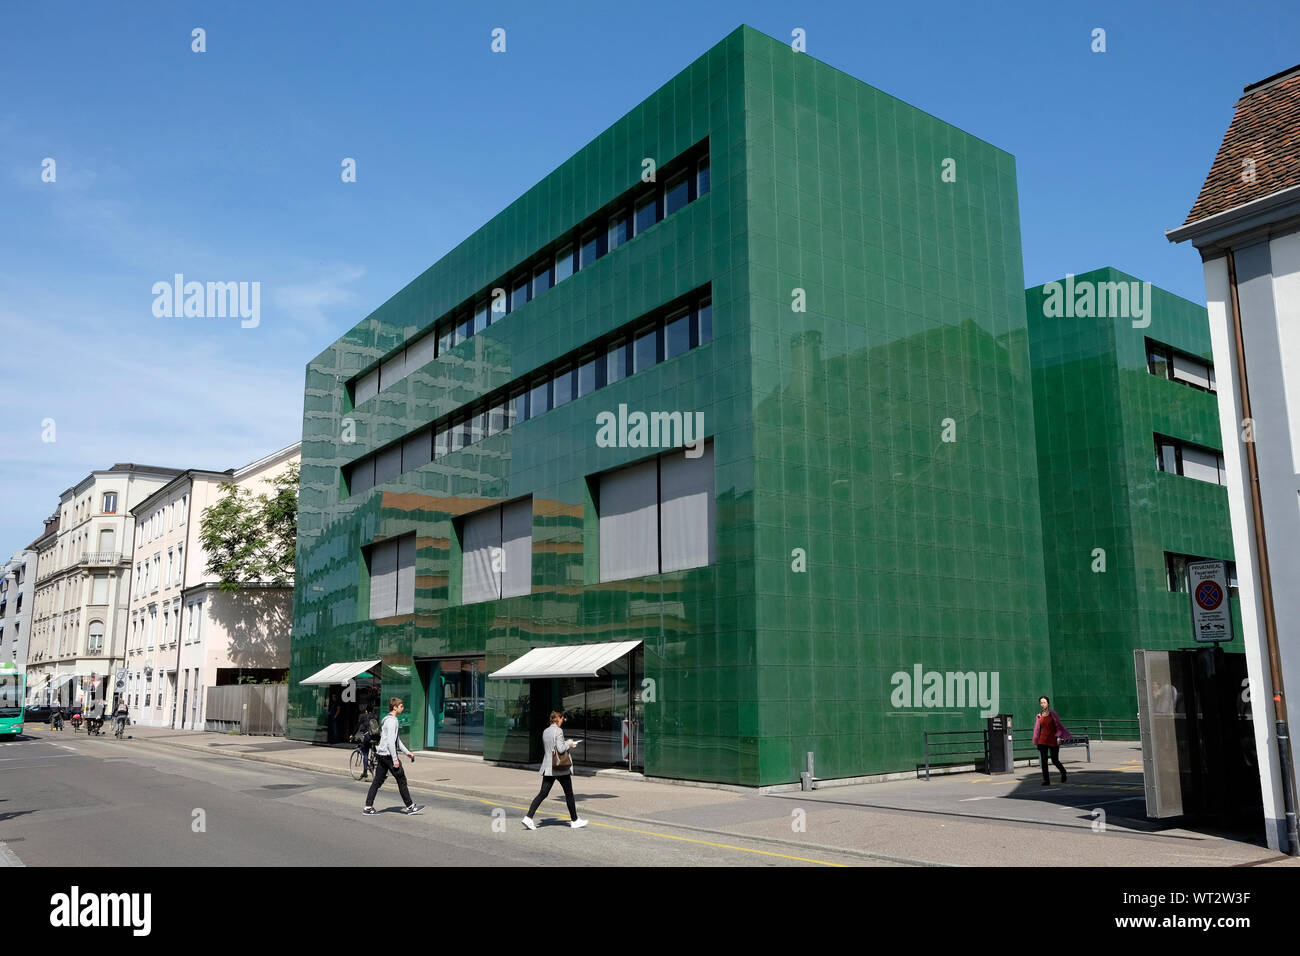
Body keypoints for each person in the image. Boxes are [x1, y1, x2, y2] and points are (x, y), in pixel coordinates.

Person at [521, 711, 588, 830]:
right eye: (562, 719)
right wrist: (570, 744)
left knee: (543, 793)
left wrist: (564, 743)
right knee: (569, 795)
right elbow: (561, 749)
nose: (562, 721)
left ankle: (528, 817)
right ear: (559, 719)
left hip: (548, 767)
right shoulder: (559, 731)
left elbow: (552, 747)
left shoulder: (546, 731)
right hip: (560, 768)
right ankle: (575, 820)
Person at [362, 698, 425, 815]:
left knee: (376, 782)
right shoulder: (392, 721)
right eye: (401, 706)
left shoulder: (389, 720)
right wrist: (395, 759)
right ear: (395, 707)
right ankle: (410, 806)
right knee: (401, 779)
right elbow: (391, 742)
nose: (403, 708)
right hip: (388, 755)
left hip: (382, 754)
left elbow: (397, 740)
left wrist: (407, 753)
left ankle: (368, 807)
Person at [1033, 695, 1070, 785]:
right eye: (1041, 702)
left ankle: (1063, 772)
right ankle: (1046, 780)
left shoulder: (1053, 713)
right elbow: (1037, 729)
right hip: (1042, 740)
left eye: (1044, 702)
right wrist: (1036, 741)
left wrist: (1058, 737)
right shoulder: (1039, 715)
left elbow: (1058, 726)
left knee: (1054, 760)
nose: (1042, 704)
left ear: (1048, 703)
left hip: (1053, 740)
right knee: (1044, 761)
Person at [353, 703, 378, 780]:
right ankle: (374, 762)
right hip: (376, 736)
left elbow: (358, 725)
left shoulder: (363, 716)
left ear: (366, 711)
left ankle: (365, 772)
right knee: (374, 750)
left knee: (365, 752)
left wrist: (352, 734)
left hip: (368, 735)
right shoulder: (375, 716)